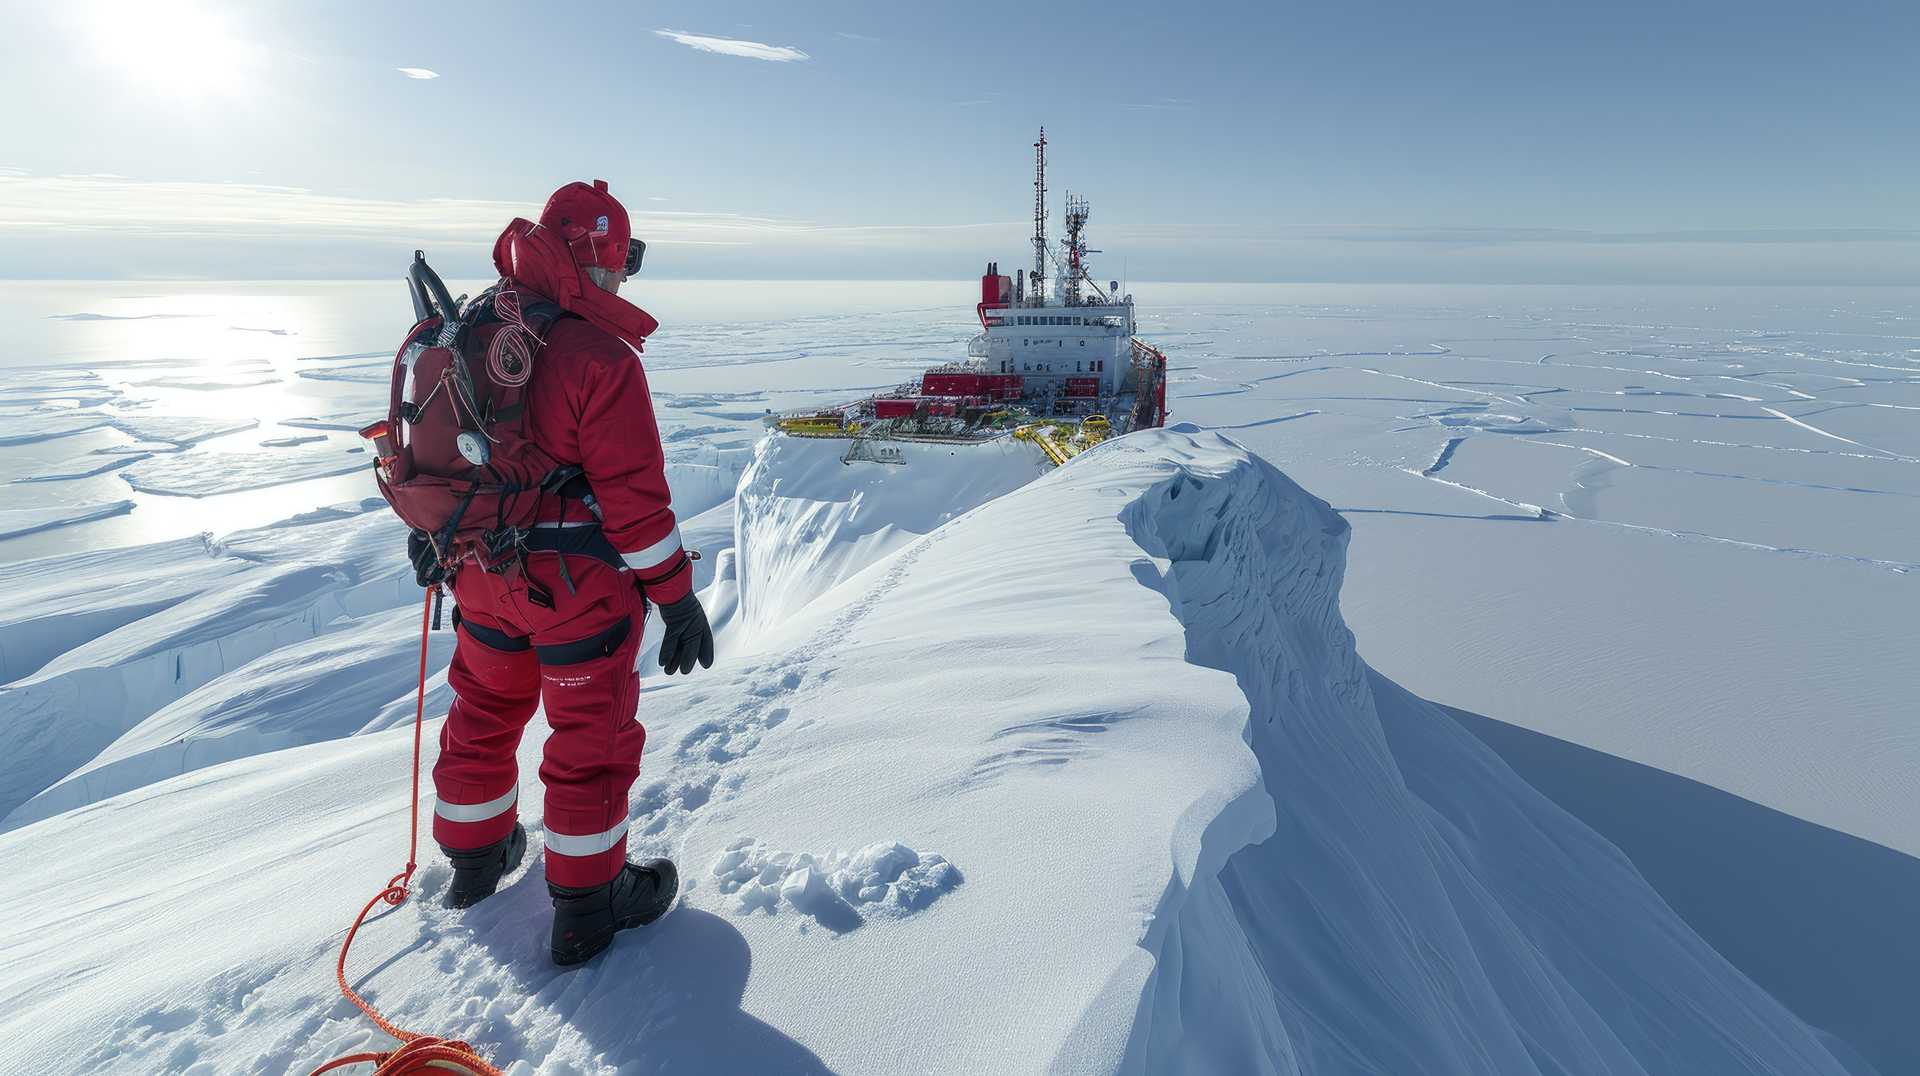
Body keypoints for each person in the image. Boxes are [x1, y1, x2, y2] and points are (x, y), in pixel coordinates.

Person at [413, 179, 715, 967]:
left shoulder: (475, 322)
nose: (621, 284)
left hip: (478, 571)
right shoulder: (598, 357)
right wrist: (678, 602)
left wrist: (437, 538)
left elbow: (432, 451)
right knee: (590, 739)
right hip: (576, 590)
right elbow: (637, 507)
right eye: (619, 267)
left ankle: (477, 862)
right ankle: (589, 906)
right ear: (601, 262)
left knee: (481, 712)